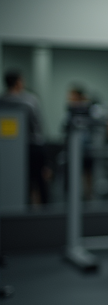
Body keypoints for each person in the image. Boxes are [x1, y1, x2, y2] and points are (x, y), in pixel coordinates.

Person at [1, 69, 49, 206]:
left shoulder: (2, 100)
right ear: (18, 83)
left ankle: (23, 206)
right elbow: (38, 125)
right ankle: (44, 208)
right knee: (39, 179)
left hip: (8, 149)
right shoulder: (29, 100)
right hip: (33, 145)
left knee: (20, 179)